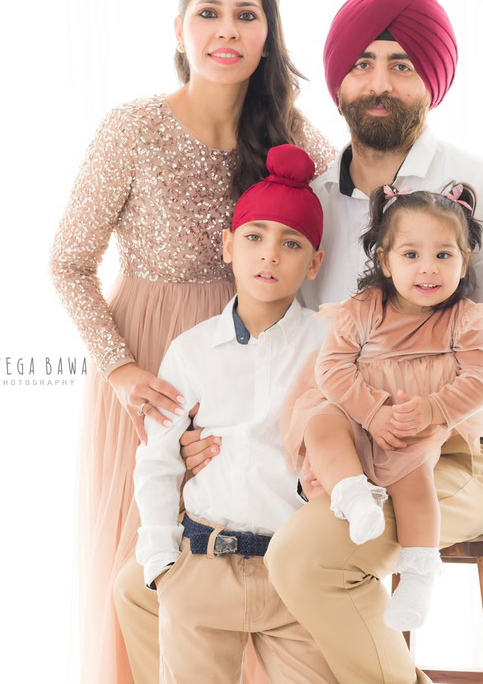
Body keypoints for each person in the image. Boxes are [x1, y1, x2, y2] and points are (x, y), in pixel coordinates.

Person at [260, 0, 483, 683]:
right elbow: (290, 341)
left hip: (462, 449)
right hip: (341, 444)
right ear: (338, 82)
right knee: (199, 565)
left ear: (431, 82)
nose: (379, 83)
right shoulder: (311, 204)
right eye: (363, 63)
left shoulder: (480, 183)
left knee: (305, 559)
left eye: (401, 65)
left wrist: (431, 397)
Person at [48, 0, 336, 684]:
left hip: (258, 369)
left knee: (252, 559)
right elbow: (69, 262)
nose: (226, 30)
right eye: (208, 13)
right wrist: (119, 370)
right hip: (151, 372)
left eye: (246, 15)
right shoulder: (133, 129)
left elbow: (347, 241)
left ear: (269, 33)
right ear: (179, 29)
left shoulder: (295, 138)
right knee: (152, 571)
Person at [132, 144, 337, 683]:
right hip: (203, 567)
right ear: (228, 245)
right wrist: (160, 562)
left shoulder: (329, 344)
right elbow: (157, 458)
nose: (269, 255)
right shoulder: (191, 351)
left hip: (294, 574)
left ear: (314, 263)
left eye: (290, 243)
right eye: (254, 237)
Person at [284, 181, 483, 632]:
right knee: (320, 424)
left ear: (464, 262)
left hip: (411, 425)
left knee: (415, 484)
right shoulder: (364, 308)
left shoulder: (464, 320)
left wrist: (432, 410)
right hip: (353, 410)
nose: (428, 267)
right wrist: (372, 413)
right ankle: (353, 496)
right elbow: (332, 369)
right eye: (411, 254)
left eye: (443, 254)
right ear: (385, 261)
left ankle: (418, 576)